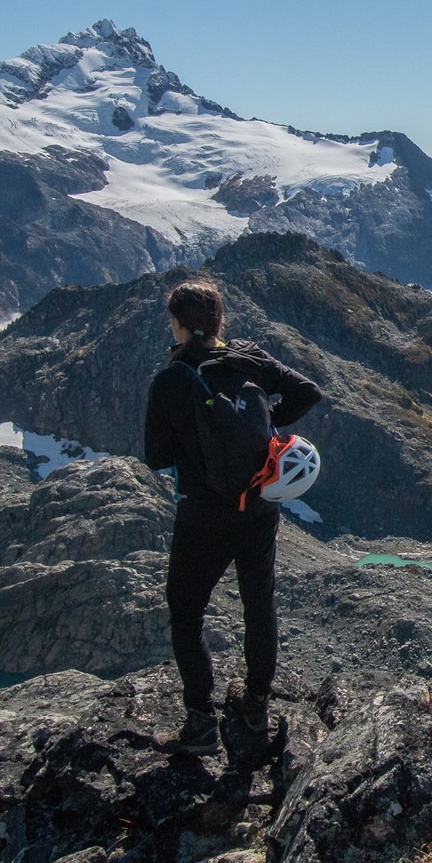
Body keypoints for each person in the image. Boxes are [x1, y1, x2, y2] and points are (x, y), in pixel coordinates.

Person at [143, 279, 323, 754]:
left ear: (179, 326)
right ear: (220, 321)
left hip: (202, 516)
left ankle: (201, 723)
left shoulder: (171, 380)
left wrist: (198, 444)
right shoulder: (252, 360)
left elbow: (156, 456)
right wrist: (268, 424)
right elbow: (309, 392)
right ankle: (256, 708)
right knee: (258, 605)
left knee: (187, 611)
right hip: (259, 508)